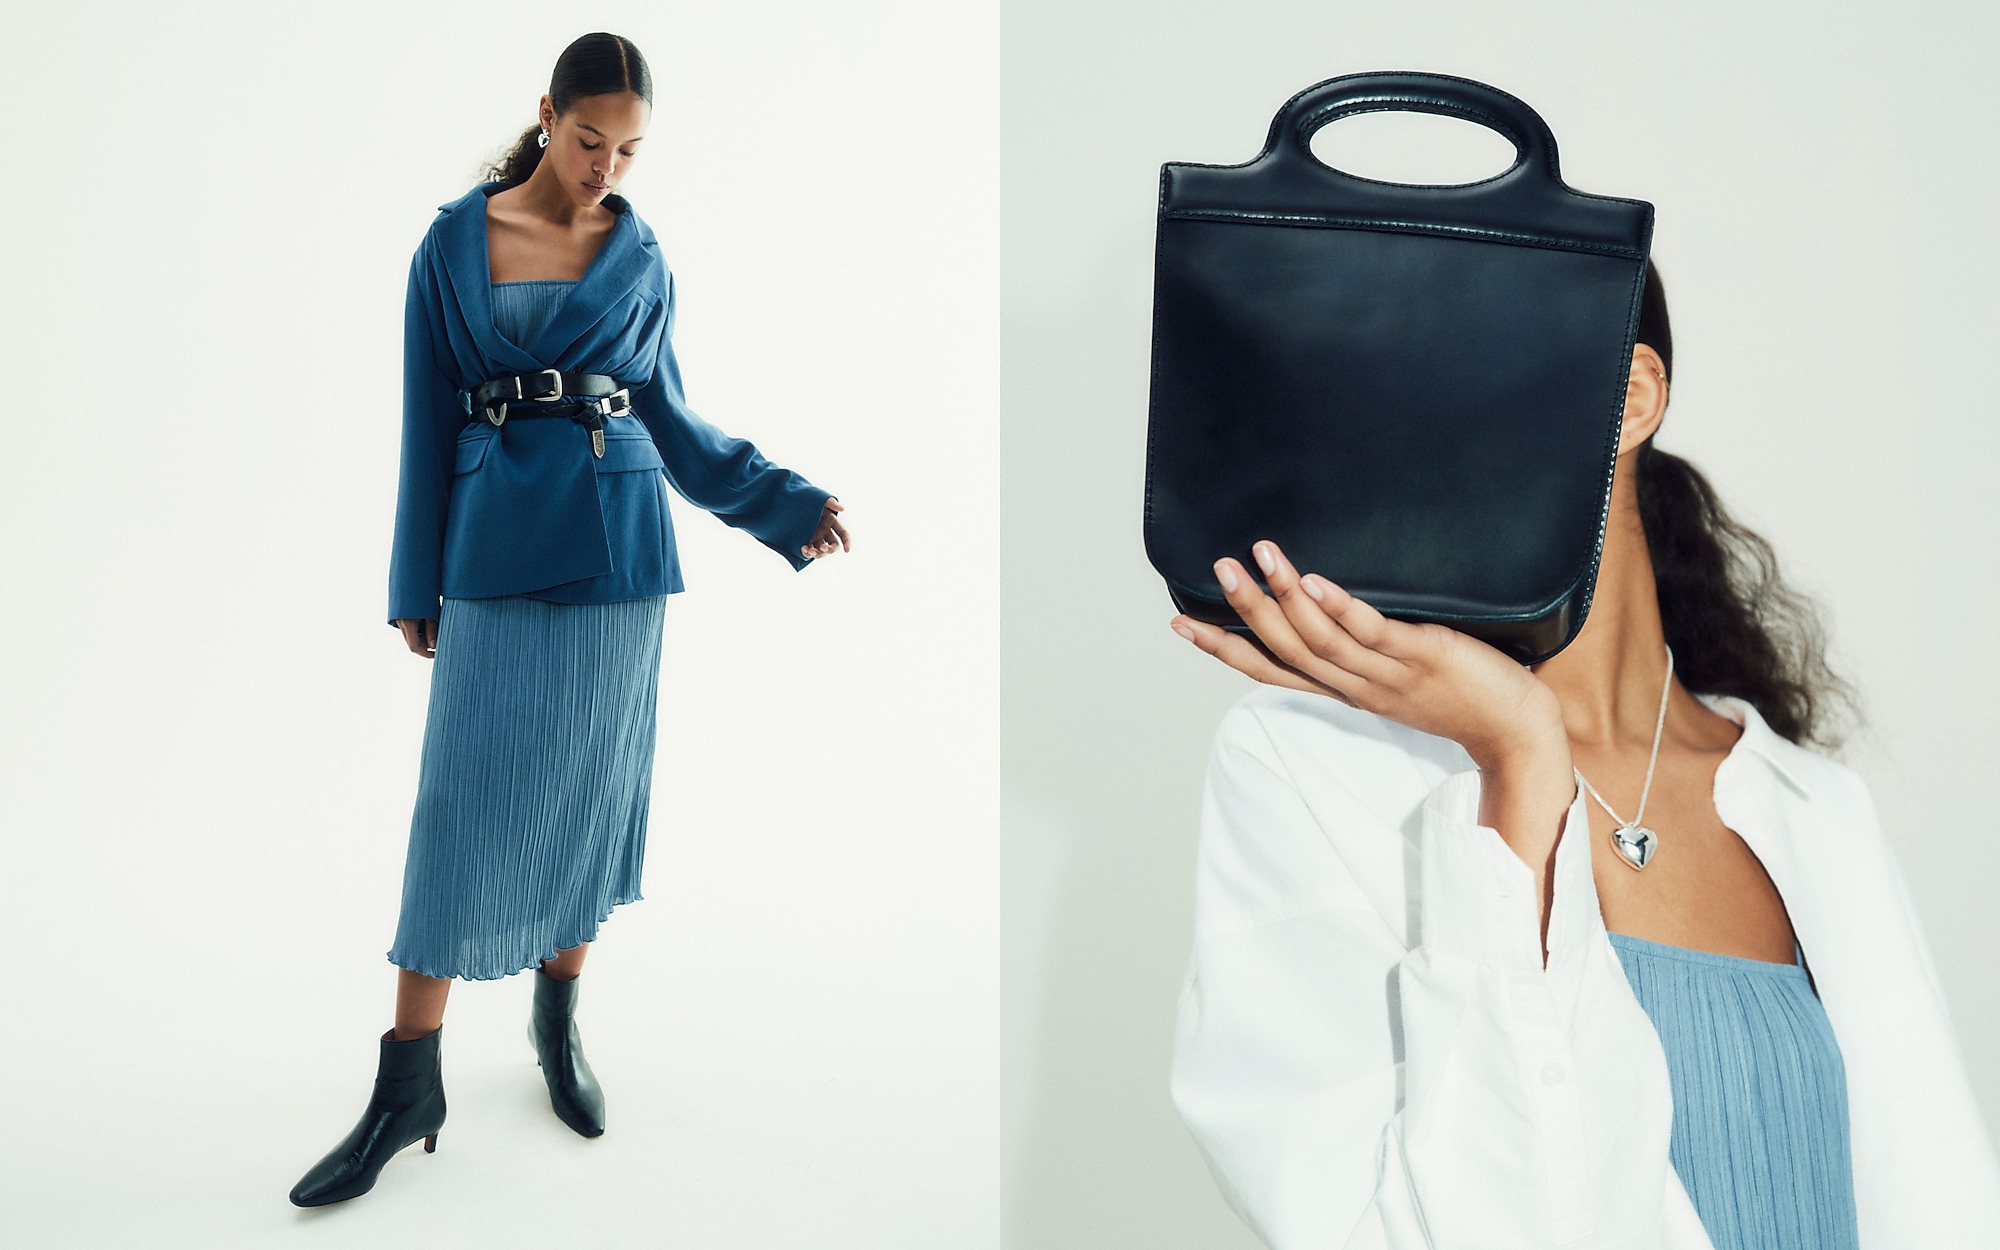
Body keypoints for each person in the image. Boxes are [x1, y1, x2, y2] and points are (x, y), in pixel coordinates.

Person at [1166, 263, 2000, 1248]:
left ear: (1630, 397)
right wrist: (1517, 758)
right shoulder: (1303, 769)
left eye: (1461, 376)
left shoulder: (1817, 806)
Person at [290, 32, 850, 1208]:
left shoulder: (639, 252)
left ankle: (556, 1020)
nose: (608, 167)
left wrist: (783, 503)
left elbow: (673, 418)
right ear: (545, 114)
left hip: (618, 545)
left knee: (592, 793)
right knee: (458, 810)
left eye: (631, 149)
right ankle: (407, 1086)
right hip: (495, 539)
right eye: (591, 139)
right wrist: (413, 582)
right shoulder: (453, 242)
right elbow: (421, 419)